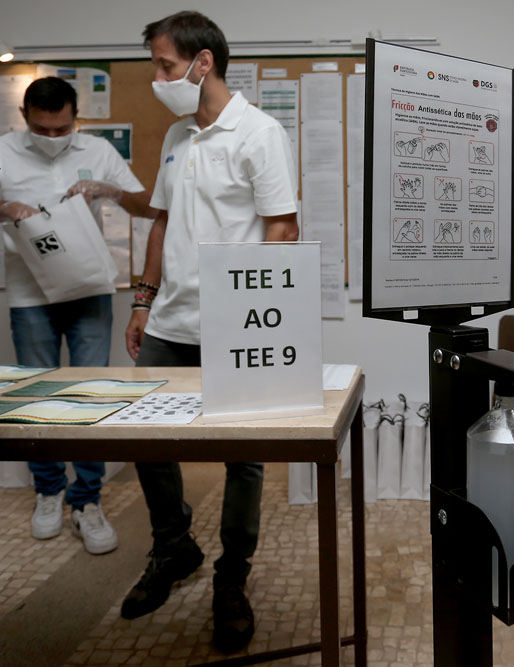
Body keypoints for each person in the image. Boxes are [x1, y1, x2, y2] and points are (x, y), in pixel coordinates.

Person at [120, 11, 298, 654]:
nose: (157, 78)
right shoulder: (176, 134)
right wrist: (143, 300)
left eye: (165, 65)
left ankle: (232, 576)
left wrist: (260, 318)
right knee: (145, 436)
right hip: (171, 319)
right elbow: (162, 223)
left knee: (242, 455)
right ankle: (173, 547)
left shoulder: (260, 132)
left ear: (203, 63)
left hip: (235, 323)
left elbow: (282, 228)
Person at [0, 76, 154, 555]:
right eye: (42, 130)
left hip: (89, 289)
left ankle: (87, 499)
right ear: (24, 117)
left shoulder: (98, 150)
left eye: (61, 129)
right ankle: (49, 491)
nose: (52, 138)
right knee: (37, 395)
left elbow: (147, 205)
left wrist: (106, 189)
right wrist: (4, 207)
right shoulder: (3, 151)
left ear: (76, 118)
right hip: (28, 292)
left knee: (89, 394)